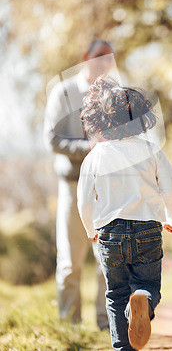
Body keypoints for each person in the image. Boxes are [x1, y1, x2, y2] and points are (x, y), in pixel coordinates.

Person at [77, 77, 172, 351]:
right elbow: (171, 188)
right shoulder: (151, 150)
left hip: (109, 233)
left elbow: (84, 201)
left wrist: (91, 230)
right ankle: (143, 299)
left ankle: (123, 347)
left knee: (115, 293)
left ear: (99, 121)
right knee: (147, 283)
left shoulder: (95, 156)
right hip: (147, 228)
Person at [44, 39, 114, 329]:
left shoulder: (113, 94)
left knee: (107, 259)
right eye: (99, 57)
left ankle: (105, 324)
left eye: (109, 58)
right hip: (72, 184)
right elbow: (52, 139)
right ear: (85, 57)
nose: (104, 63)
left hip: (106, 185)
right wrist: (87, 148)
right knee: (70, 261)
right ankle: (70, 328)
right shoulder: (63, 91)